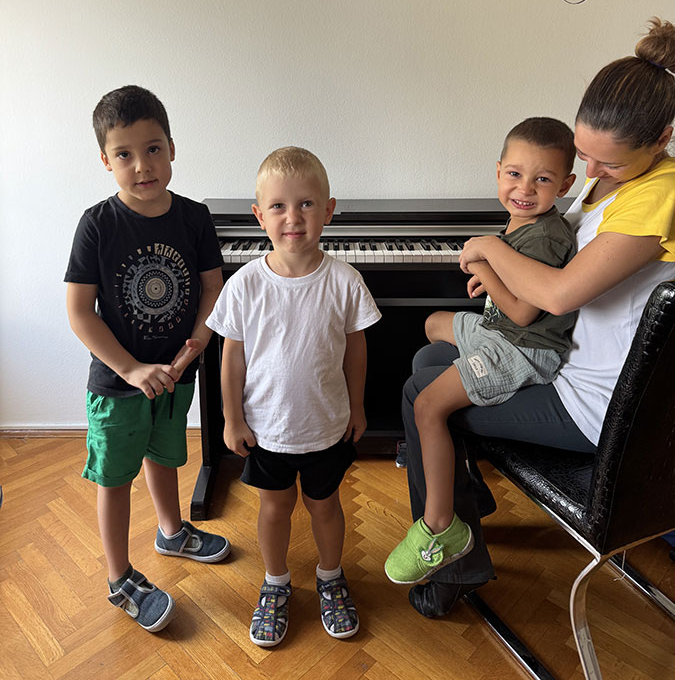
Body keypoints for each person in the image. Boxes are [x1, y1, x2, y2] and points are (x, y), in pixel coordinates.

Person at [401, 17, 675, 618]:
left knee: (423, 393)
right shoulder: (612, 182)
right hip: (560, 360)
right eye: (585, 155)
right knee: (429, 356)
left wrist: (489, 249)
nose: (593, 173)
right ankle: (466, 499)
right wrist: (503, 273)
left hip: (594, 403)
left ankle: (451, 559)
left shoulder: (661, 193)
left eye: (609, 164)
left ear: (662, 139)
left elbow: (556, 295)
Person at [65, 85, 231, 633]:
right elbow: (80, 313)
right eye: (125, 154)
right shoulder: (97, 224)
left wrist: (197, 344)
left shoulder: (194, 217)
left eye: (154, 149)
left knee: (165, 456)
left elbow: (212, 289)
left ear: (172, 148)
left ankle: (172, 531)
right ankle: (119, 579)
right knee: (115, 477)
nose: (142, 165)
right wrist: (131, 369)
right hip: (119, 383)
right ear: (105, 160)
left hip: (177, 370)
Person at [385, 118, 577, 584]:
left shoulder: (547, 236)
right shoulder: (525, 224)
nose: (524, 189)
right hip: (498, 331)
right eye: (514, 174)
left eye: (542, 179)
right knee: (433, 325)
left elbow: (523, 314)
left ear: (566, 185)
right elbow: (515, 289)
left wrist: (485, 268)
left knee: (427, 405)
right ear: (497, 172)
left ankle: (441, 528)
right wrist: (490, 277)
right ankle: (463, 478)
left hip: (521, 349)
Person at [205, 147, 381, 647]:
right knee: (274, 507)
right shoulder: (244, 285)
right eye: (278, 206)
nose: (293, 217)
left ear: (328, 210)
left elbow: (356, 350)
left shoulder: (345, 281)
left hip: (326, 425)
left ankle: (331, 576)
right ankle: (276, 582)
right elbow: (232, 357)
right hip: (267, 430)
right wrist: (231, 418)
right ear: (259, 215)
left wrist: (358, 406)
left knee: (326, 506)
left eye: (306, 204)